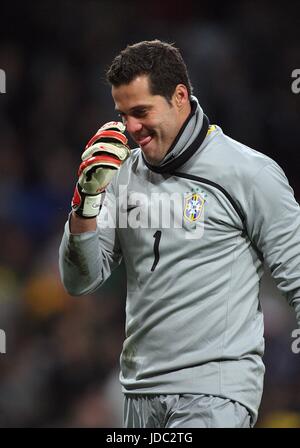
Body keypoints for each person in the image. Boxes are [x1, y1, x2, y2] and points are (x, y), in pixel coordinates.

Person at [59, 40, 300, 428]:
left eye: (141, 112)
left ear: (180, 97)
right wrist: (86, 201)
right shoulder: (119, 175)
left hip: (214, 393)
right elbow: (79, 281)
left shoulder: (249, 173)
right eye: (123, 115)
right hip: (138, 392)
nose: (131, 128)